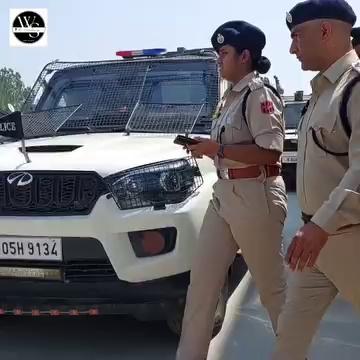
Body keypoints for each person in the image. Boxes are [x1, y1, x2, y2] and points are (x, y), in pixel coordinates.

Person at [175, 20, 288, 360]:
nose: (218, 59)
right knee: (202, 288)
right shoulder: (229, 98)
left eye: (223, 53)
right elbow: (223, 146)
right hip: (224, 195)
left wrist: (217, 150)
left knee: (273, 292)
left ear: (245, 56)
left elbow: (272, 151)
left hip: (257, 194)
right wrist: (206, 147)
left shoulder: (259, 94)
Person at [272, 1, 360, 359]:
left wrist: (320, 226)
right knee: (289, 341)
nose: (292, 48)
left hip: (349, 240)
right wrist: (312, 227)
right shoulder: (321, 92)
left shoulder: (354, 89)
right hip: (316, 246)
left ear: (326, 31)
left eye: (296, 36)